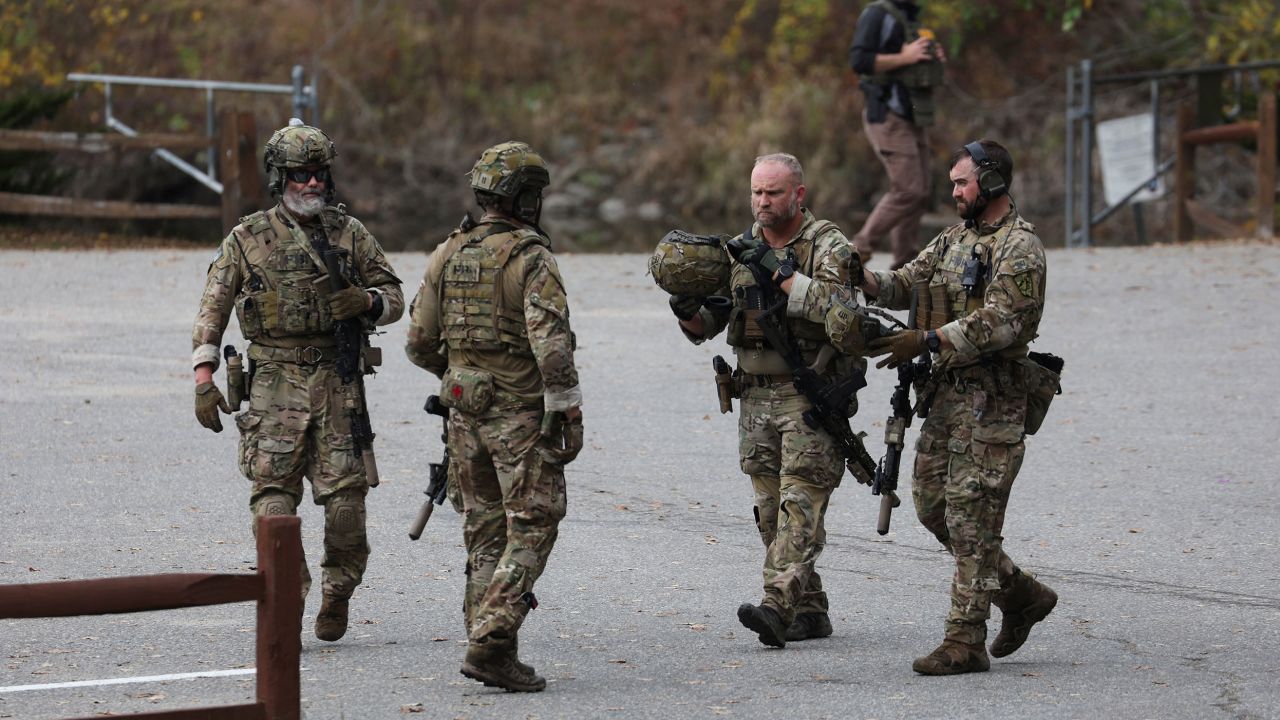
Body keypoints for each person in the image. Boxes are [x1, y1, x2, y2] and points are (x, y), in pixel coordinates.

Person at [192, 118, 404, 643]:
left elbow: (395, 297)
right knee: (272, 501)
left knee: (348, 507)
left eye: (319, 173)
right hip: (272, 385)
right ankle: (287, 597)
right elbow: (212, 311)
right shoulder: (247, 238)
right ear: (279, 177)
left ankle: (338, 590)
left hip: (337, 384)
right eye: (300, 174)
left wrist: (367, 303)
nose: (312, 183)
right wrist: (203, 376)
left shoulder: (349, 234)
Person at [857, 139, 1058, 675]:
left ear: (991, 183)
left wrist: (926, 341)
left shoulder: (1021, 248)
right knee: (932, 507)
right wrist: (863, 278)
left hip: (994, 402)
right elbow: (907, 282)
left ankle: (964, 640)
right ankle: (1020, 595)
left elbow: (1003, 321)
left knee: (973, 519)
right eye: (952, 183)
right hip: (946, 399)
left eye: (962, 183)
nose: (953, 192)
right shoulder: (953, 239)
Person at [405, 141, 584, 692]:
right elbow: (551, 345)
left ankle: (488, 648)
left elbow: (418, 342)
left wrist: (461, 373)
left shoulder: (448, 253)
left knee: (484, 532)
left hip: (464, 415)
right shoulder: (531, 258)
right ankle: (491, 636)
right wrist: (566, 409)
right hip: (519, 416)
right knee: (534, 522)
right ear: (526, 199)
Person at [672, 153, 862, 648]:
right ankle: (810, 610)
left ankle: (777, 605)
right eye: (756, 192)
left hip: (808, 394)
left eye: (773, 193)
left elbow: (845, 316)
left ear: (798, 194)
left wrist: (782, 276)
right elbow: (708, 325)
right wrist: (685, 308)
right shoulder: (742, 249)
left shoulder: (827, 245)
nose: (762, 202)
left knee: (800, 503)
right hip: (754, 398)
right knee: (770, 510)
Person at [847, 0, 946, 270]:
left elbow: (910, 58)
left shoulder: (910, 14)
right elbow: (859, 60)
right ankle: (854, 254)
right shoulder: (877, 13)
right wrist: (906, 56)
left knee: (921, 191)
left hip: (913, 114)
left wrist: (930, 57)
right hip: (886, 114)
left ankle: (906, 265)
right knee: (908, 189)